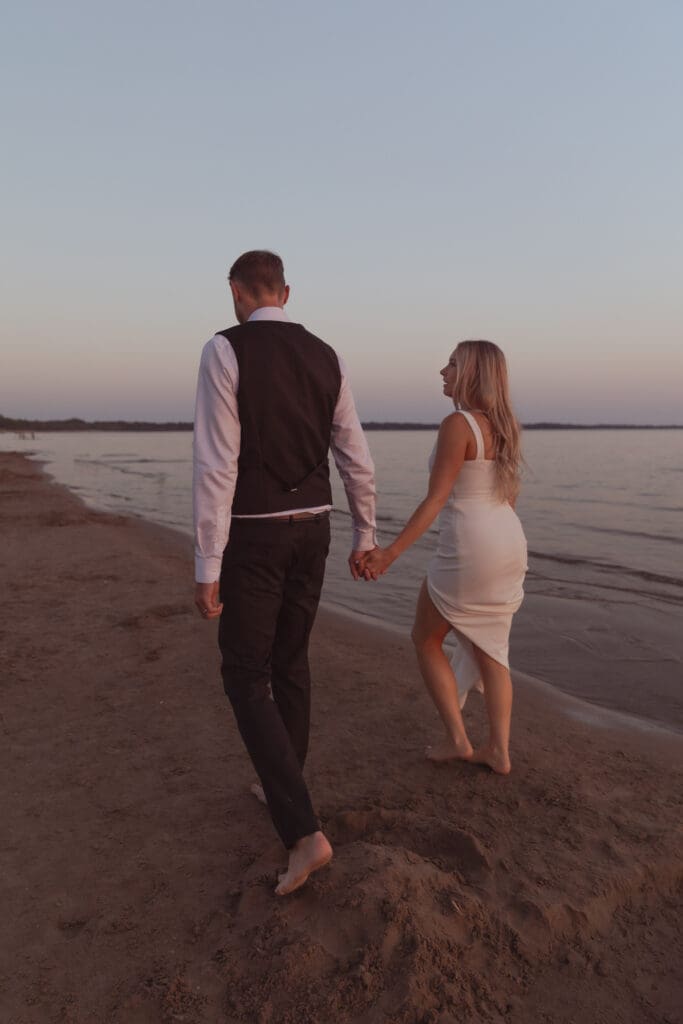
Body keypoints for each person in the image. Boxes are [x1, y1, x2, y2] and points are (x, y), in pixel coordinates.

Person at [192, 250, 376, 894]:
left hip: (257, 533)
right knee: (290, 662)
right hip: (316, 529)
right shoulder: (329, 355)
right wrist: (367, 531)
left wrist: (206, 564)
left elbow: (218, 464)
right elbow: (354, 452)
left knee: (244, 672)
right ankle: (284, 782)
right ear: (287, 292)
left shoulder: (224, 349)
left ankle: (302, 832)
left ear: (238, 292)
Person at [360, 340, 527, 775]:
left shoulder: (458, 424)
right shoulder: (506, 425)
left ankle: (457, 739)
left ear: (471, 373)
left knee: (425, 638)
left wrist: (389, 554)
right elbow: (511, 495)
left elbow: (436, 500)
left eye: (452, 364)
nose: (443, 371)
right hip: (508, 540)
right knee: (493, 649)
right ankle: (500, 751)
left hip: (471, 547)